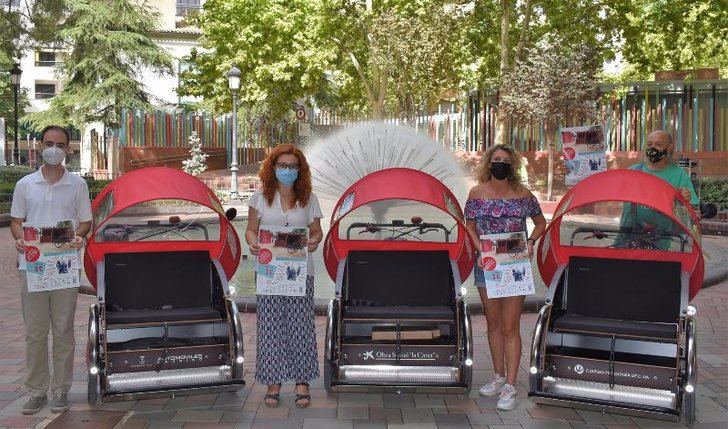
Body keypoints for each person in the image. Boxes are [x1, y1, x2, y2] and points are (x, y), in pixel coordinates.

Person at [10, 126, 92, 414]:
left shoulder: (77, 185)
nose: (53, 149)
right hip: (32, 265)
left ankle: (60, 390)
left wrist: (79, 236)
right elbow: (16, 220)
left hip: (64, 265)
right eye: (49, 143)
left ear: (67, 149)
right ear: (40, 146)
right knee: (34, 332)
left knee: (63, 330)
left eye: (59, 144)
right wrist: (20, 237)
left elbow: (84, 221)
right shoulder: (25, 185)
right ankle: (36, 391)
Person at [464, 144, 546, 411]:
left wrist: (531, 242)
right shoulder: (476, 194)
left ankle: (511, 384)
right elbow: (470, 227)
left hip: (514, 261)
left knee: (511, 325)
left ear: (513, 165)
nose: (501, 164)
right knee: (493, 321)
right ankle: (498, 376)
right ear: (489, 163)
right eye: (496, 160)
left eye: (506, 161)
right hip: (487, 262)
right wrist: (480, 250)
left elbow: (540, 222)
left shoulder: (523, 195)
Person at [245, 144, 323, 409]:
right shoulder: (259, 198)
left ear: (300, 170)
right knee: (270, 328)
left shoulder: (309, 198)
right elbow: (251, 230)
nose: (286, 170)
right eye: (282, 165)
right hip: (268, 271)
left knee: (301, 326)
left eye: (292, 166)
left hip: (300, 271)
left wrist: (313, 241)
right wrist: (254, 243)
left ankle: (302, 381)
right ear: (272, 168)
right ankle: (273, 381)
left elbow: (317, 231)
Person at [618, 130, 699, 249]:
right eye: (649, 144)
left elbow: (690, 211)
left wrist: (685, 199)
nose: (653, 148)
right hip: (627, 238)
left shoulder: (679, 174)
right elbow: (611, 193)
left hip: (661, 241)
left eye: (658, 144)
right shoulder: (632, 172)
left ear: (669, 147)